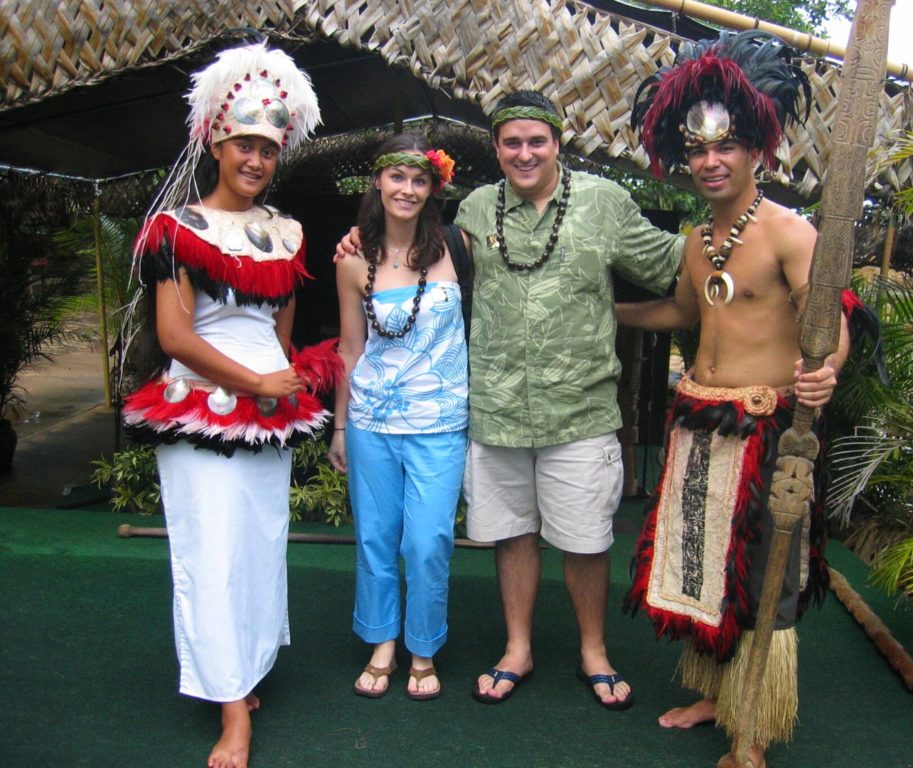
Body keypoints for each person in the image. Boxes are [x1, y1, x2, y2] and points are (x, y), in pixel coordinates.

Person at [338, 91, 684, 709]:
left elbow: (673, 268)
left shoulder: (603, 203)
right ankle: (517, 648)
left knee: (584, 538)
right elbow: (409, 250)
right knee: (512, 533)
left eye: (537, 141)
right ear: (496, 148)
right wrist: (358, 242)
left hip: (577, 408)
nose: (525, 153)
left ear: (559, 142)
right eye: (512, 142)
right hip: (493, 410)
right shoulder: (473, 210)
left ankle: (593, 653)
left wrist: (741, 242)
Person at [619, 31, 864, 768]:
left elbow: (834, 321)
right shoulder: (698, 241)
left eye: (724, 148)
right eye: (695, 151)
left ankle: (752, 727)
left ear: (757, 148)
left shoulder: (790, 232)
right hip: (699, 421)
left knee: (764, 579)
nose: (709, 162)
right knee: (702, 568)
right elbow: (687, 316)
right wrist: (608, 314)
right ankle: (714, 693)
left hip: (767, 431)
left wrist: (825, 370)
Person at [120, 40, 327, 768]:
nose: (255, 161)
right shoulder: (176, 231)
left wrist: (279, 381)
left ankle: (242, 670)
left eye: (267, 149)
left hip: (266, 416)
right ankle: (230, 708)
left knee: (260, 543)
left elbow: (281, 326)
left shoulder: (287, 232)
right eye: (243, 144)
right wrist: (257, 382)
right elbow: (176, 335)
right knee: (211, 551)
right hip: (203, 407)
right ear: (216, 142)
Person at [327, 134, 465, 702]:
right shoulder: (353, 259)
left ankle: (424, 644)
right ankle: (383, 641)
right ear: (379, 184)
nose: (407, 189)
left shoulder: (458, 245)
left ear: (434, 188)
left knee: (429, 541)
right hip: (371, 423)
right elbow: (349, 348)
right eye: (397, 178)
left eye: (419, 180)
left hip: (440, 420)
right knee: (376, 538)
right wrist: (338, 426)